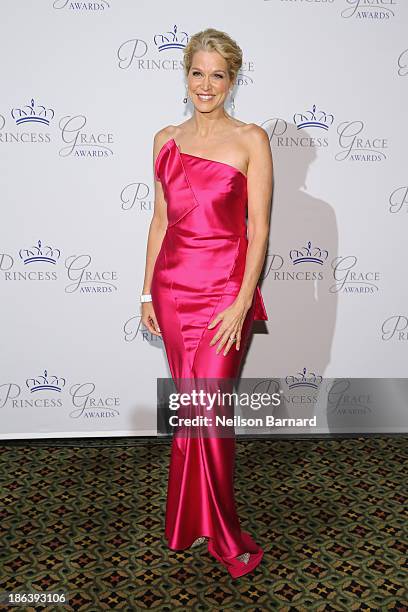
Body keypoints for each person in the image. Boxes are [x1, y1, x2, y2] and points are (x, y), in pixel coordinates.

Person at [141, 27, 273, 578]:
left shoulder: (251, 140)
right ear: (186, 76)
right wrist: (147, 289)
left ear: (232, 80)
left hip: (223, 293)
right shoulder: (164, 138)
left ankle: (220, 528)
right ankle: (186, 520)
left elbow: (259, 230)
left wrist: (243, 301)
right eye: (198, 72)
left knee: (211, 412)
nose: (206, 84)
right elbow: (161, 219)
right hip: (173, 288)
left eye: (218, 74)